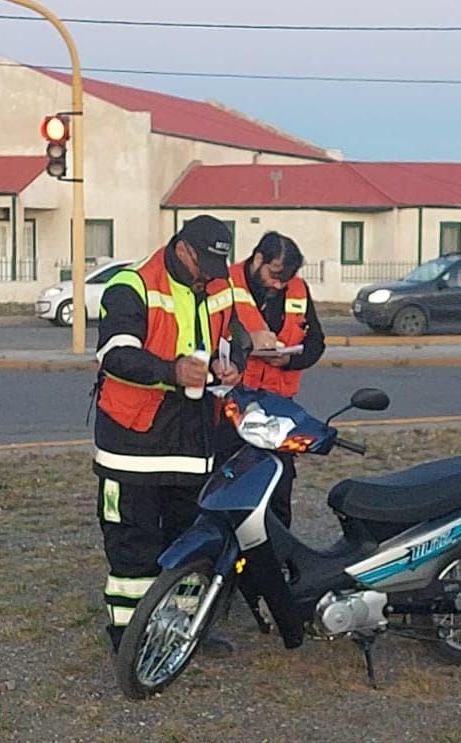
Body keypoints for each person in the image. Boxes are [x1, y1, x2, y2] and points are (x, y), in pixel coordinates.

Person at [92, 214, 245, 654]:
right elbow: (117, 356)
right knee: (132, 551)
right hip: (133, 446)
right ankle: (129, 640)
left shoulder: (219, 284)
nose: (208, 282)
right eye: (204, 270)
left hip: (193, 445)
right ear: (183, 250)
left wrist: (231, 363)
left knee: (193, 543)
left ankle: (185, 631)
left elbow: (229, 337)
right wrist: (173, 371)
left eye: (218, 272)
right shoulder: (132, 285)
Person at [220, 231, 326, 527]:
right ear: (257, 259)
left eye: (285, 279)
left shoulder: (298, 290)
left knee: (279, 487)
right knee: (230, 483)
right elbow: (206, 334)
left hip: (279, 408)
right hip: (232, 404)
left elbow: (316, 343)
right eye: (275, 275)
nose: (279, 284)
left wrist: (290, 359)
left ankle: (276, 560)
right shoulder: (225, 284)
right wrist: (247, 342)